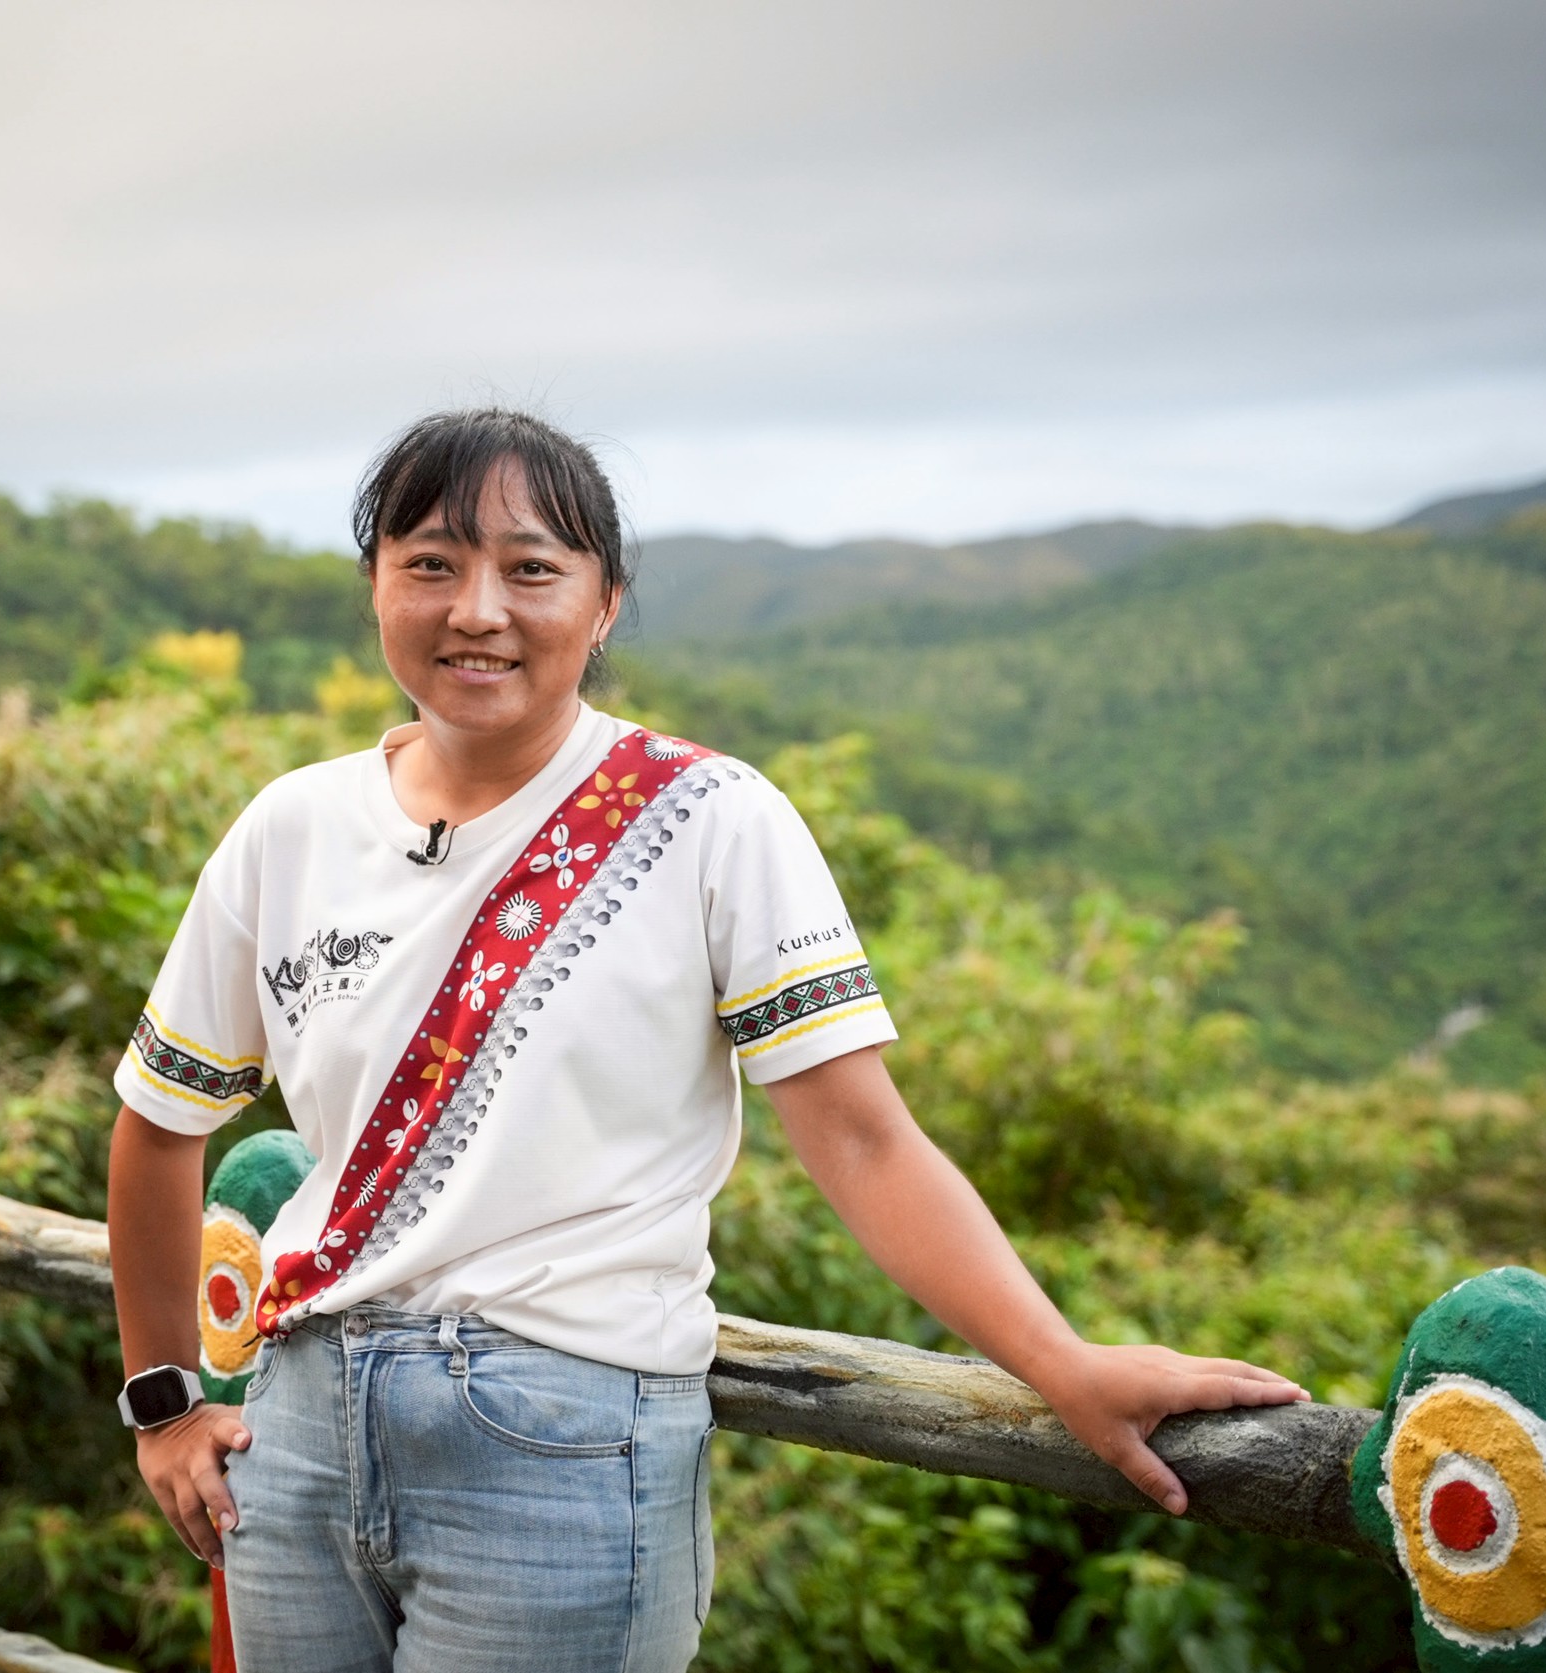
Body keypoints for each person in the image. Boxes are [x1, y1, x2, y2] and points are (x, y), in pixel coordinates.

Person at [106, 408, 1305, 1673]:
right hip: (292, 1440)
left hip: (559, 1440)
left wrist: (1059, 1361)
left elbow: (861, 1137)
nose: (477, 609)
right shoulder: (290, 827)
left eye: (530, 567)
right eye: (431, 563)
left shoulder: (707, 820)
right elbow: (158, 1122)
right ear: (375, 584)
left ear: (605, 600)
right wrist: (162, 1403)